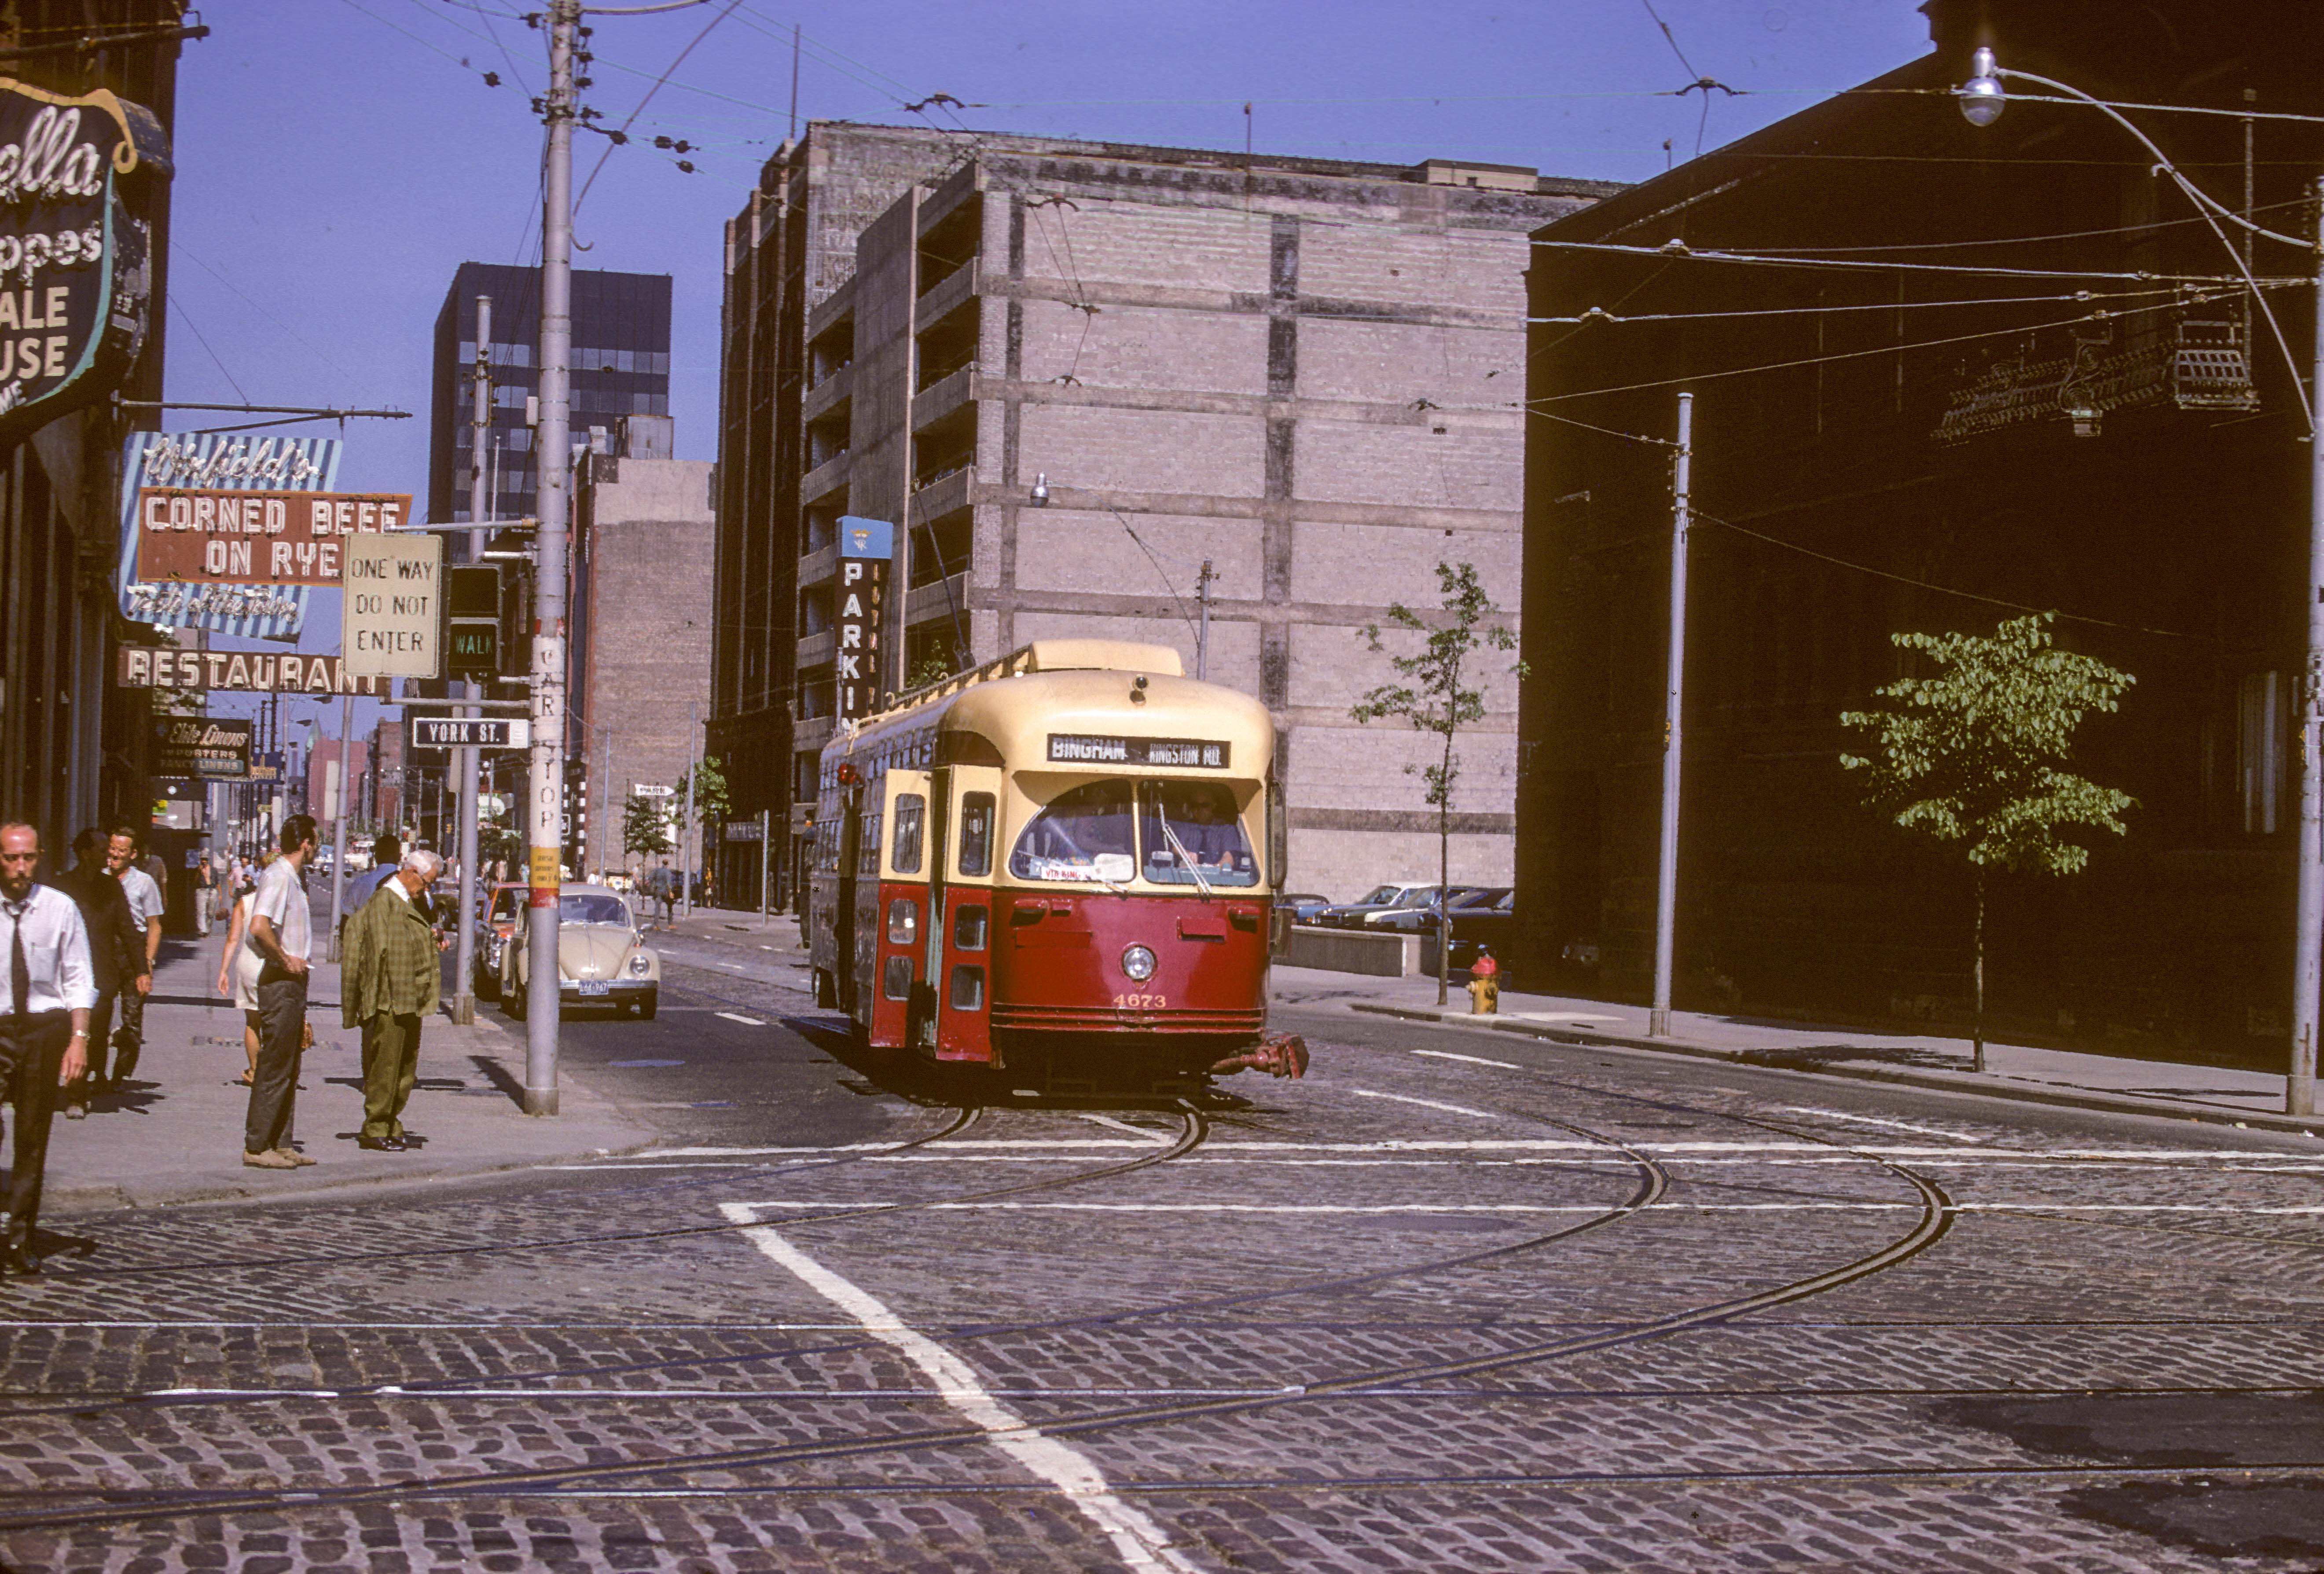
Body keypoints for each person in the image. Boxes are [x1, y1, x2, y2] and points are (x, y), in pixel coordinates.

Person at [0, 821, 93, 1276]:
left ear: (40, 857)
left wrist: (79, 1040)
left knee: (32, 1138)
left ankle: (20, 1239)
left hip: (43, 1029)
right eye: (11, 858)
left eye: (28, 858)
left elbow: (78, 978)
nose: (20, 868)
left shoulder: (60, 909)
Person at [340, 849, 447, 1152]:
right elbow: (374, 955)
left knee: (405, 1066)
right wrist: (372, 1002)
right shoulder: (384, 900)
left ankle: (390, 1123)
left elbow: (410, 936)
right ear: (411, 872)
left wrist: (432, 936)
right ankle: (374, 1127)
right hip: (391, 997)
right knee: (385, 1066)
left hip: (409, 995)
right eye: (426, 882)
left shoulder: (407, 900)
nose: (427, 889)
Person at [54, 829, 148, 1118]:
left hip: (102, 974)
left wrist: (142, 970)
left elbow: (128, 930)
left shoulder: (111, 887)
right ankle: (69, 1087)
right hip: (66, 973)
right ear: (85, 853)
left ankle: (78, 1094)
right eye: (100, 849)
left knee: (94, 1035)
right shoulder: (61, 886)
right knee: (63, 1033)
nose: (107, 854)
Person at [242, 815, 317, 1170]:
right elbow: (259, 927)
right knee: (274, 1064)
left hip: (294, 980)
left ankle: (280, 1141)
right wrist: (284, 959)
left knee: (290, 1063)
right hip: (280, 980)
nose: (315, 848)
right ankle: (257, 1145)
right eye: (315, 842)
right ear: (306, 843)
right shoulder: (277, 876)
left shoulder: (294, 879)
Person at [104, 827, 165, 1090]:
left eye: (122, 851)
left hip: (134, 952)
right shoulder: (99, 878)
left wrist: (148, 963)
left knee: (132, 1015)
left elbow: (154, 925)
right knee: (98, 1013)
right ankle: (96, 1072)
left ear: (133, 854)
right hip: (104, 949)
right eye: (113, 849)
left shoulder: (144, 883)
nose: (115, 855)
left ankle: (120, 1074)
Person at [215, 848, 276, 1086]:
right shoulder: (286, 900)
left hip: (249, 965)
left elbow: (233, 939)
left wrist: (223, 971)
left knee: (253, 1021)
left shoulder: (246, 902)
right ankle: (274, 1073)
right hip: (274, 965)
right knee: (276, 1022)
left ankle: (254, 1071)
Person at [343, 833, 403, 917]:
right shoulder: (410, 885)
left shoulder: (360, 883)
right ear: (400, 857)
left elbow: (346, 917)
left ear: (376, 857)